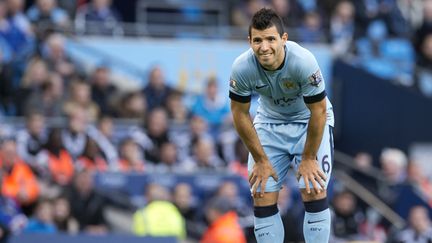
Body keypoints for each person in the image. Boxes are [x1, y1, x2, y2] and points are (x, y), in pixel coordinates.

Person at [229, 8, 334, 243]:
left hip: (307, 120)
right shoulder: (241, 67)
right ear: (250, 41)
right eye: (257, 40)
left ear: (283, 39)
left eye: (270, 39)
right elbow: (239, 114)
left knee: (313, 187)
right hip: (269, 122)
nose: (264, 47)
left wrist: (308, 158)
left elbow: (318, 111)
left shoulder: (304, 61)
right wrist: (261, 160)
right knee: (262, 192)